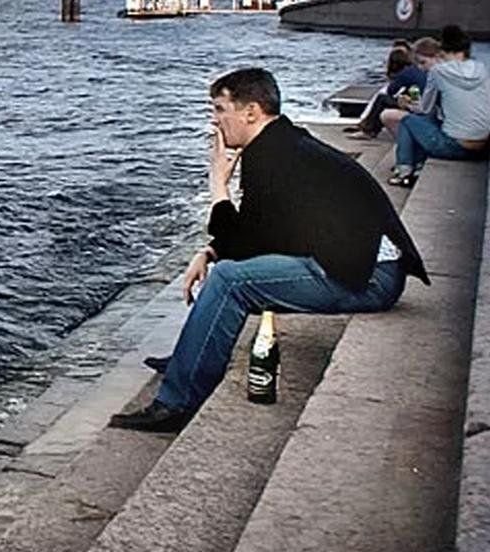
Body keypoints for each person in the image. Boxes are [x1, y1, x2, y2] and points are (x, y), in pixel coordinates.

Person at [109, 67, 429, 433]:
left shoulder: (271, 155)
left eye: (218, 109)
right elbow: (256, 232)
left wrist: (217, 184)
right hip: (361, 264)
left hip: (370, 276)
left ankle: (175, 404)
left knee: (231, 281)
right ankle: (191, 357)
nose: (213, 121)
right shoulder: (281, 143)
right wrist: (211, 251)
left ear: (251, 111)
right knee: (231, 271)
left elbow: (244, 248)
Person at [390, 24, 490, 186]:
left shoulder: (438, 72)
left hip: (458, 146)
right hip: (483, 147)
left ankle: (404, 170)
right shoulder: (482, 69)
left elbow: (424, 109)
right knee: (429, 122)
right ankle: (417, 166)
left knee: (408, 121)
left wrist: (407, 104)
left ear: (443, 51)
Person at [346, 43, 427, 137]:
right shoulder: (418, 70)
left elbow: (391, 91)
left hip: (418, 107)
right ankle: (368, 126)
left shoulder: (406, 73)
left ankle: (368, 130)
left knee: (382, 99)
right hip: (423, 104)